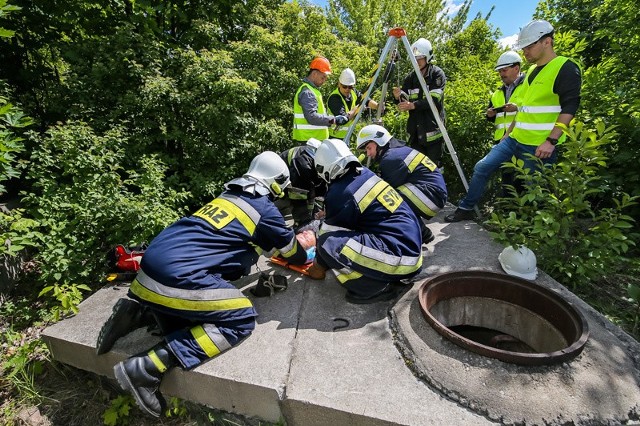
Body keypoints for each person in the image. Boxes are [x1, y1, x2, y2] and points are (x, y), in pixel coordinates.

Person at [101, 152, 315, 417]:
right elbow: (293, 253)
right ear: (275, 184)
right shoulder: (264, 209)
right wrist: (307, 243)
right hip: (174, 279)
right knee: (239, 318)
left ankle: (141, 313)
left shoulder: (225, 199)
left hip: (148, 273)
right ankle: (147, 367)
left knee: (211, 299)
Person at [445, 20, 581, 222]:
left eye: (529, 46)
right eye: (523, 48)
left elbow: (570, 107)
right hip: (514, 139)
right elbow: (523, 110)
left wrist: (551, 141)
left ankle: (531, 231)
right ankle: (466, 209)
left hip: (538, 145)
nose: (525, 52)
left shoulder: (565, 67)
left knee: (534, 190)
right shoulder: (532, 73)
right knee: (482, 167)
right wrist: (507, 135)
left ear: (547, 42)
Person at [306, 139, 423, 304]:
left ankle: (371, 286)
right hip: (412, 252)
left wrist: (317, 267)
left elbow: (327, 236)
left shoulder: (340, 192)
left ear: (324, 168)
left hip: (401, 258)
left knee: (328, 242)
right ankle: (382, 275)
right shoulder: (365, 174)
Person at [356, 124, 447, 245]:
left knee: (386, 200)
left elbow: (385, 191)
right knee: (392, 197)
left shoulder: (391, 159)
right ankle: (422, 232)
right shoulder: (397, 152)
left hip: (431, 197)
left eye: (369, 148)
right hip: (432, 194)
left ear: (379, 142)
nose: (368, 154)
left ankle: (414, 236)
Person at [392, 38, 446, 167]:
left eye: (420, 58)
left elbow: (434, 101)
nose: (417, 61)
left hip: (433, 134)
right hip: (416, 134)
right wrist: (397, 97)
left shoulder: (437, 74)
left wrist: (413, 105)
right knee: (417, 169)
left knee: (434, 169)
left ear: (427, 57)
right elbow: (404, 99)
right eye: (414, 58)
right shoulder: (410, 77)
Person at [486, 51, 526, 193]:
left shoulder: (528, 86)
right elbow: (491, 117)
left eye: (504, 70)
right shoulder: (497, 92)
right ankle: (507, 211)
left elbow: (535, 108)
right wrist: (490, 114)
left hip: (521, 139)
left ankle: (523, 211)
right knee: (507, 179)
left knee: (523, 178)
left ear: (516, 68)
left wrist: (516, 108)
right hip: (502, 141)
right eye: (500, 72)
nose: (502, 74)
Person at [292, 57, 349, 144]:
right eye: (323, 77)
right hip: (309, 142)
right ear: (314, 74)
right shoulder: (307, 92)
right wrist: (333, 120)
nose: (324, 80)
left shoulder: (312, 90)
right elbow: (311, 117)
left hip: (312, 141)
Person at [276, 138, 327, 229]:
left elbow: (321, 185)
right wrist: (308, 217)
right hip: (282, 175)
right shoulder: (303, 164)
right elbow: (307, 189)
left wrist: (324, 206)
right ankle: (299, 221)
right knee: (299, 197)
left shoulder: (315, 158)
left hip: (292, 172)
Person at [326, 68, 378, 139]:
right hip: (334, 137)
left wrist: (378, 106)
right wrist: (358, 108)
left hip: (347, 136)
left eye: (350, 87)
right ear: (339, 84)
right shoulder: (334, 98)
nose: (347, 89)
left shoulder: (353, 92)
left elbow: (366, 101)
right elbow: (343, 119)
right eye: (344, 86)